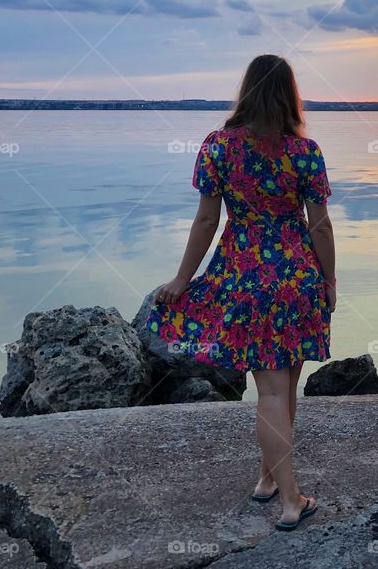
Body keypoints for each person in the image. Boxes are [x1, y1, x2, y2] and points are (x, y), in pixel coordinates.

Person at [144, 54, 336, 532]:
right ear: (290, 94)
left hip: (245, 277)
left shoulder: (218, 147)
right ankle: (293, 501)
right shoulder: (305, 151)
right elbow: (321, 227)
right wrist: (330, 280)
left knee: (276, 387)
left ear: (245, 91)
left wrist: (181, 279)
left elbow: (208, 219)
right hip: (296, 279)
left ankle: (268, 481)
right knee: (281, 387)